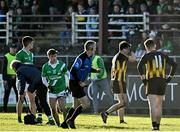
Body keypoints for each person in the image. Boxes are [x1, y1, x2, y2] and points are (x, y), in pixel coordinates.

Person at [137, 38, 177, 130]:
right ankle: (158, 126)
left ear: (146, 48)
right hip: (162, 81)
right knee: (159, 106)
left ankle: (154, 126)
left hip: (152, 81)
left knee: (152, 105)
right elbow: (174, 65)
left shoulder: (147, 55)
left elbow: (139, 66)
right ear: (155, 46)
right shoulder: (163, 54)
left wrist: (143, 79)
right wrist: (169, 77)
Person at [61, 40, 99, 129]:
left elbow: (87, 68)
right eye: (95, 47)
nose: (95, 49)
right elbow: (73, 71)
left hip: (77, 83)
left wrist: (95, 70)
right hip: (75, 83)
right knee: (86, 104)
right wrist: (79, 82)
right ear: (91, 48)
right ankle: (71, 120)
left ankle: (65, 124)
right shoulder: (81, 58)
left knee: (75, 106)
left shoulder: (89, 58)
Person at [101, 41, 136, 124]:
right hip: (119, 81)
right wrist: (132, 51)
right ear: (123, 49)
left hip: (116, 80)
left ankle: (121, 120)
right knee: (123, 102)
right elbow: (133, 59)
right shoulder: (122, 56)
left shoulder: (116, 56)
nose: (128, 50)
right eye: (128, 49)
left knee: (121, 102)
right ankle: (106, 113)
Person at [11, 61, 55, 125]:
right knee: (37, 99)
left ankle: (51, 120)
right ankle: (39, 117)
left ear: (14, 68)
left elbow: (22, 83)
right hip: (43, 80)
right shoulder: (28, 65)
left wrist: (21, 93)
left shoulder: (19, 71)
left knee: (42, 101)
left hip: (38, 82)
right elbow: (40, 68)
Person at [16, 36, 43, 123]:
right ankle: (19, 118)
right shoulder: (19, 54)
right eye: (32, 43)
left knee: (32, 99)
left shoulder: (31, 54)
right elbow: (17, 69)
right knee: (21, 99)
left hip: (30, 81)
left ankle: (33, 118)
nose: (33, 45)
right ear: (28, 44)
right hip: (22, 80)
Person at [42, 49, 69, 127]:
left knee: (63, 107)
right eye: (52, 56)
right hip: (52, 91)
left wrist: (68, 85)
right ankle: (58, 125)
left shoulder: (62, 64)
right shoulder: (45, 67)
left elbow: (68, 74)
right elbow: (43, 79)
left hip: (61, 89)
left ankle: (65, 123)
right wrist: (48, 86)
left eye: (55, 56)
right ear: (48, 57)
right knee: (53, 110)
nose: (54, 58)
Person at [2, 43, 18, 112]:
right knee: (6, 94)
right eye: (12, 48)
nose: (13, 49)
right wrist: (4, 79)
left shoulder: (18, 56)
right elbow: (4, 69)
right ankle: (4, 110)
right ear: (10, 49)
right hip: (8, 78)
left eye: (14, 48)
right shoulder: (6, 56)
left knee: (18, 94)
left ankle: (18, 109)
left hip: (17, 78)